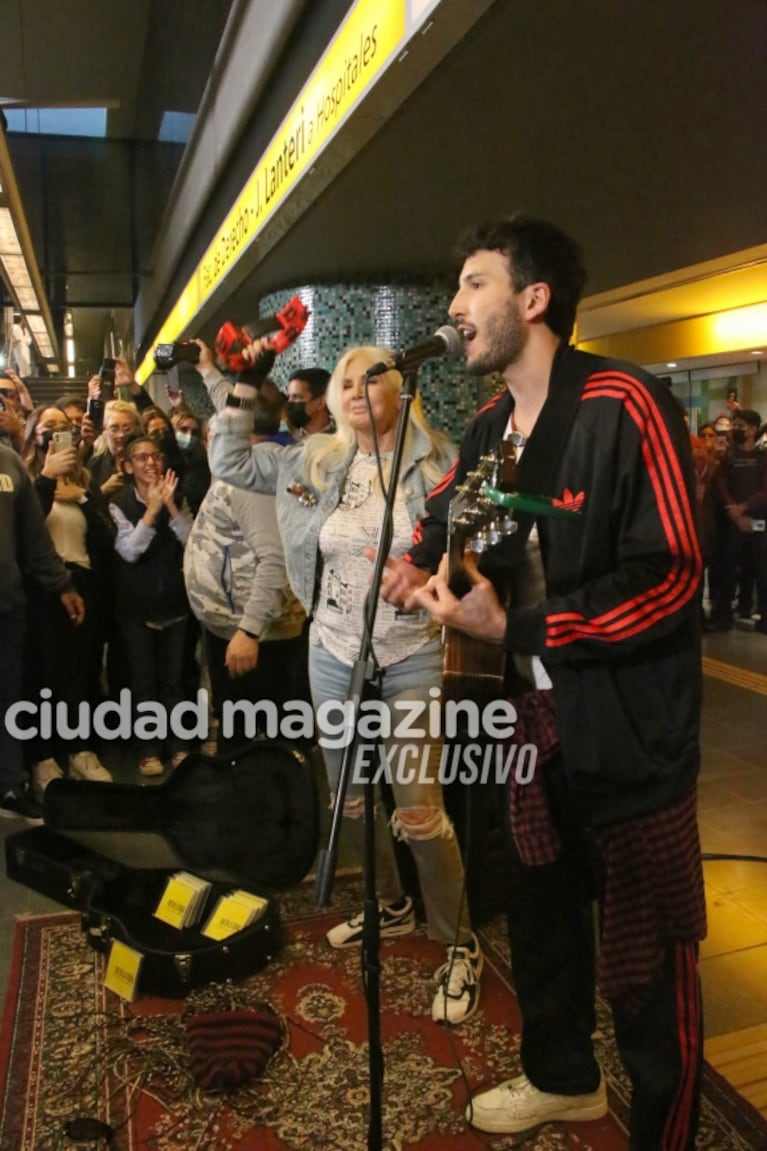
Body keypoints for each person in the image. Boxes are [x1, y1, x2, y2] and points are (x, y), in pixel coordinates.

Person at [379, 216, 706, 1148]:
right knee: (543, 913)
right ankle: (562, 1077)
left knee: (648, 957)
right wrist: (413, 560)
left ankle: (666, 1131)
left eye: (473, 283)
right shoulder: (496, 428)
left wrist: (518, 626)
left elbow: (670, 576)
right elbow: (454, 513)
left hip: (625, 729)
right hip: (526, 725)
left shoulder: (623, 403)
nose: (453, 305)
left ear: (532, 299)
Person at [208, 342, 484, 1026]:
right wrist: (245, 380)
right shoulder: (312, 458)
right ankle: (388, 906)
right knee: (352, 801)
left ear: (401, 388)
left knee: (418, 809)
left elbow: (478, 544)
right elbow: (231, 459)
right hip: (331, 651)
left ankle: (457, 940)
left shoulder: (439, 460)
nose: (358, 390)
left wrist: (437, 572)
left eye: (372, 378)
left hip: (411, 652)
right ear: (332, 397)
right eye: (345, 380)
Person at [184, 391, 306, 755]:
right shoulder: (248, 465)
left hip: (253, 633)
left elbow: (274, 558)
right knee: (251, 735)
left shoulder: (250, 475)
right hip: (242, 626)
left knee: (251, 741)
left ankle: (255, 808)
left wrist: (249, 630)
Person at [21, 405, 115, 791]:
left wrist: (84, 498)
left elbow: (106, 539)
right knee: (43, 674)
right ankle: (43, 757)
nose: (58, 432)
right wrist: (45, 479)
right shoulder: (24, 478)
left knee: (81, 672)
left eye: (64, 427)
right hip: (41, 587)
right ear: (35, 434)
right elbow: (25, 530)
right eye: (49, 426)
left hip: (82, 581)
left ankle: (80, 750)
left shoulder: (83, 482)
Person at [0, 441, 86, 823]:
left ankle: (8, 786)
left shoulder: (9, 462)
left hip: (7, 606)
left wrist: (63, 585)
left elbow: (34, 536)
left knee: (8, 698)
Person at [108, 433, 193, 776]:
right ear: (127, 466)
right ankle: (148, 748)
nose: (150, 463)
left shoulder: (180, 496)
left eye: (155, 456)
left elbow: (193, 542)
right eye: (141, 458)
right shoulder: (118, 502)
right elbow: (129, 550)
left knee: (174, 679)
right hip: (136, 608)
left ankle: (178, 745)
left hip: (175, 604)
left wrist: (171, 505)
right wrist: (153, 508)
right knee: (142, 680)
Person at [285, 367, 333, 438]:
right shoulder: (286, 439)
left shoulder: (343, 439)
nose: (289, 402)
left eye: (297, 397)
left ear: (320, 402)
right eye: (289, 397)